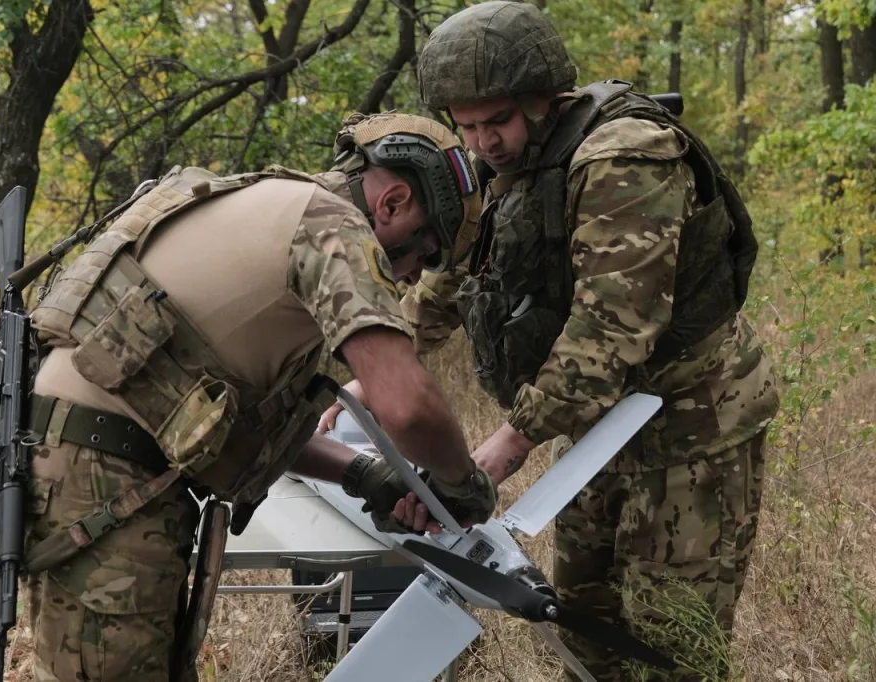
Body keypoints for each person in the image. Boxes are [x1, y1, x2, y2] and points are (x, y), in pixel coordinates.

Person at [319, 2, 779, 679]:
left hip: (691, 431)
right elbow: (454, 277)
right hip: (599, 435)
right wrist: (372, 371)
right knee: (587, 632)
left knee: (667, 644)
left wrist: (501, 451)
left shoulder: (627, 158)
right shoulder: (509, 166)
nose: (483, 143)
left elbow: (612, 330)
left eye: (497, 121)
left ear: (545, 99)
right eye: (466, 126)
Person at [20, 111, 495, 682]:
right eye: (425, 253)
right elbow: (406, 404)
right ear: (392, 205)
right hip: (106, 473)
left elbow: (234, 425)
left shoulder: (274, 205)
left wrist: (363, 475)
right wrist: (460, 485)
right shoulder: (332, 226)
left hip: (98, 466)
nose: (415, 278)